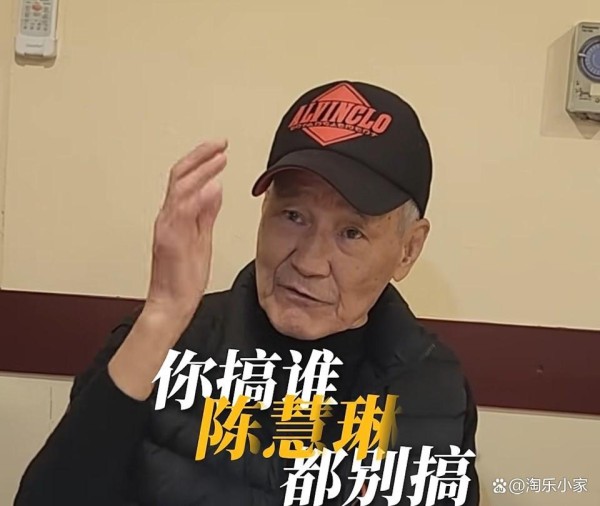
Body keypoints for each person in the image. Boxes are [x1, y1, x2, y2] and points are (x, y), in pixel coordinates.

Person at [14, 81, 480, 506]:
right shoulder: (161, 343)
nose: (308, 262)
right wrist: (162, 318)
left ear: (408, 250)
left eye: (351, 233)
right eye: (293, 216)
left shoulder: (436, 388)